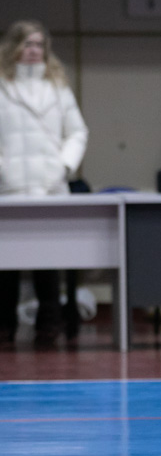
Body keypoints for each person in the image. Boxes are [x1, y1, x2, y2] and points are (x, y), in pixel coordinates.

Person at [0, 20, 89, 348]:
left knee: (47, 256)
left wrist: (63, 165)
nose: (33, 50)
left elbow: (77, 132)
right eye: (27, 44)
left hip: (50, 185)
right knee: (5, 260)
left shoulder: (58, 87)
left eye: (39, 44)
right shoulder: (1, 85)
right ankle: (4, 323)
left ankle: (49, 322)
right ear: (13, 47)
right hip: (7, 186)